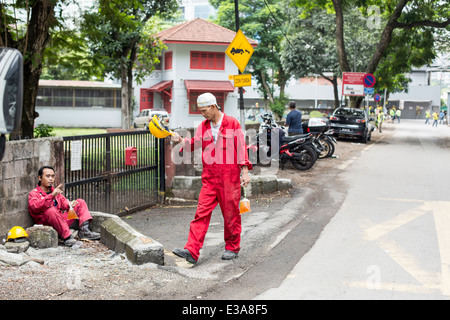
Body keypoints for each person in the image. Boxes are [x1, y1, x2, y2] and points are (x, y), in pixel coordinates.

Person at [171, 93, 252, 263]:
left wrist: (244, 171)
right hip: (210, 177)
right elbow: (195, 143)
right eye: (200, 111)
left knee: (230, 215)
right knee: (201, 213)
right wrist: (180, 140)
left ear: (214, 107)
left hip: (229, 177)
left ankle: (232, 247)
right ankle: (191, 251)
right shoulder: (203, 126)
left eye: (204, 110)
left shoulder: (232, 123)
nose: (202, 114)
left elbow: (241, 147)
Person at [28, 166, 100, 247]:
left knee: (80, 202)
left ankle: (84, 231)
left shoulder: (54, 190)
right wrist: (51, 196)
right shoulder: (34, 193)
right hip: (47, 224)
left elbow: (64, 203)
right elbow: (35, 207)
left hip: (60, 221)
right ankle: (67, 238)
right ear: (40, 178)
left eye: (53, 176)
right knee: (51, 210)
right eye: (47, 176)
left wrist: (70, 204)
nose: (51, 179)